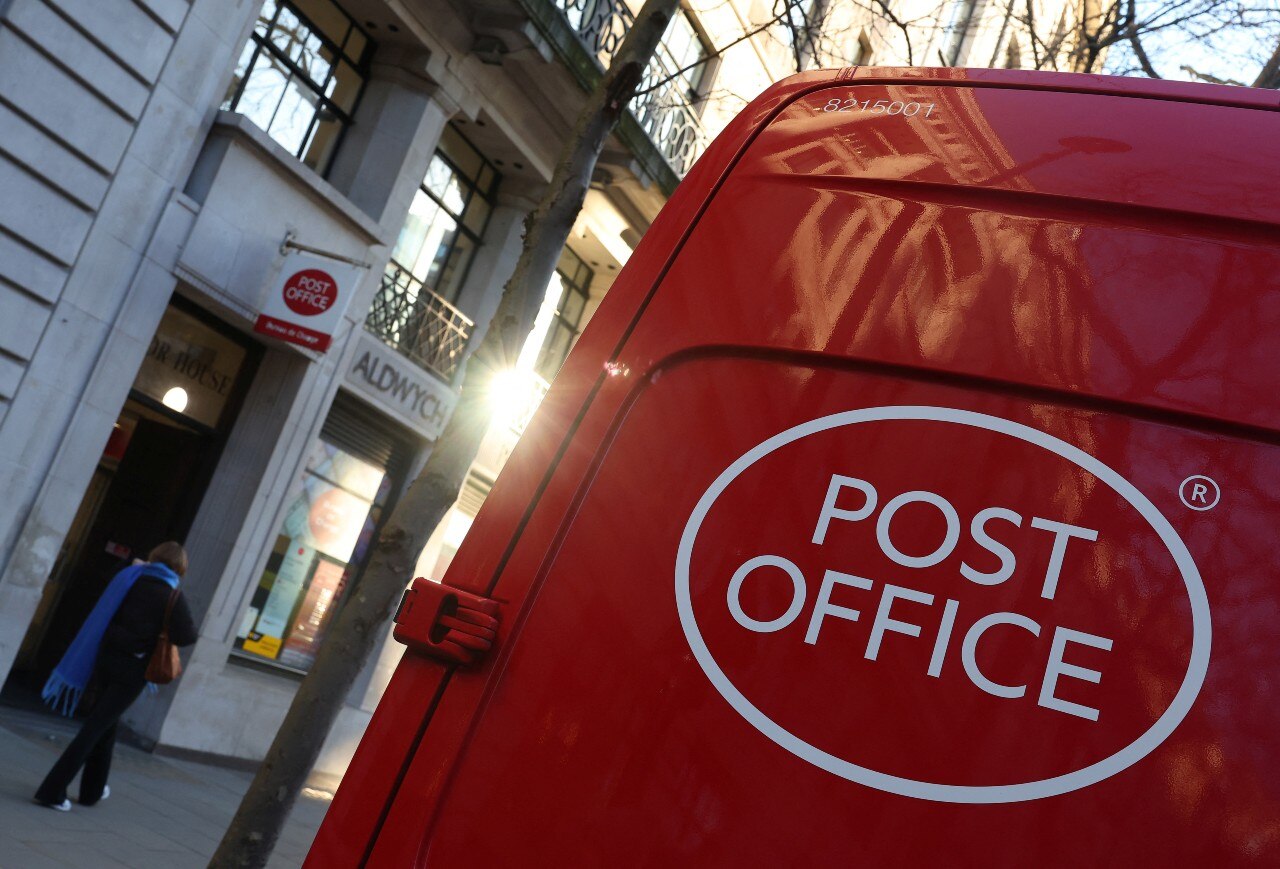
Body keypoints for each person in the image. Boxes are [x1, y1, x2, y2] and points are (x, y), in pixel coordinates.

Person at [34, 541, 197, 811]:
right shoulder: (172, 596)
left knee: (106, 722)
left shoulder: (130, 579)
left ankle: (92, 790)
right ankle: (52, 790)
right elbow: (186, 635)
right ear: (180, 568)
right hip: (134, 669)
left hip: (106, 659)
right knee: (96, 727)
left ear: (153, 558)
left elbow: (108, 600)